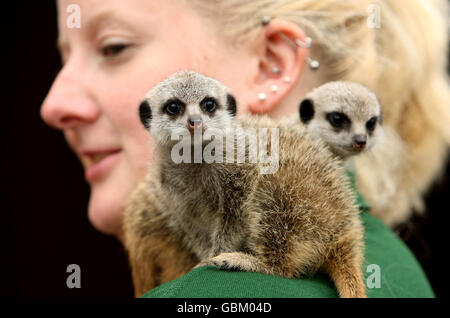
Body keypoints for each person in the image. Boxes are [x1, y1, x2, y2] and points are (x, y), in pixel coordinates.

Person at [41, 0, 448, 297]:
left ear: (272, 64)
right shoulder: (395, 267)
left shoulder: (221, 295)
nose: (53, 104)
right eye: (63, 57)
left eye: (113, 47)